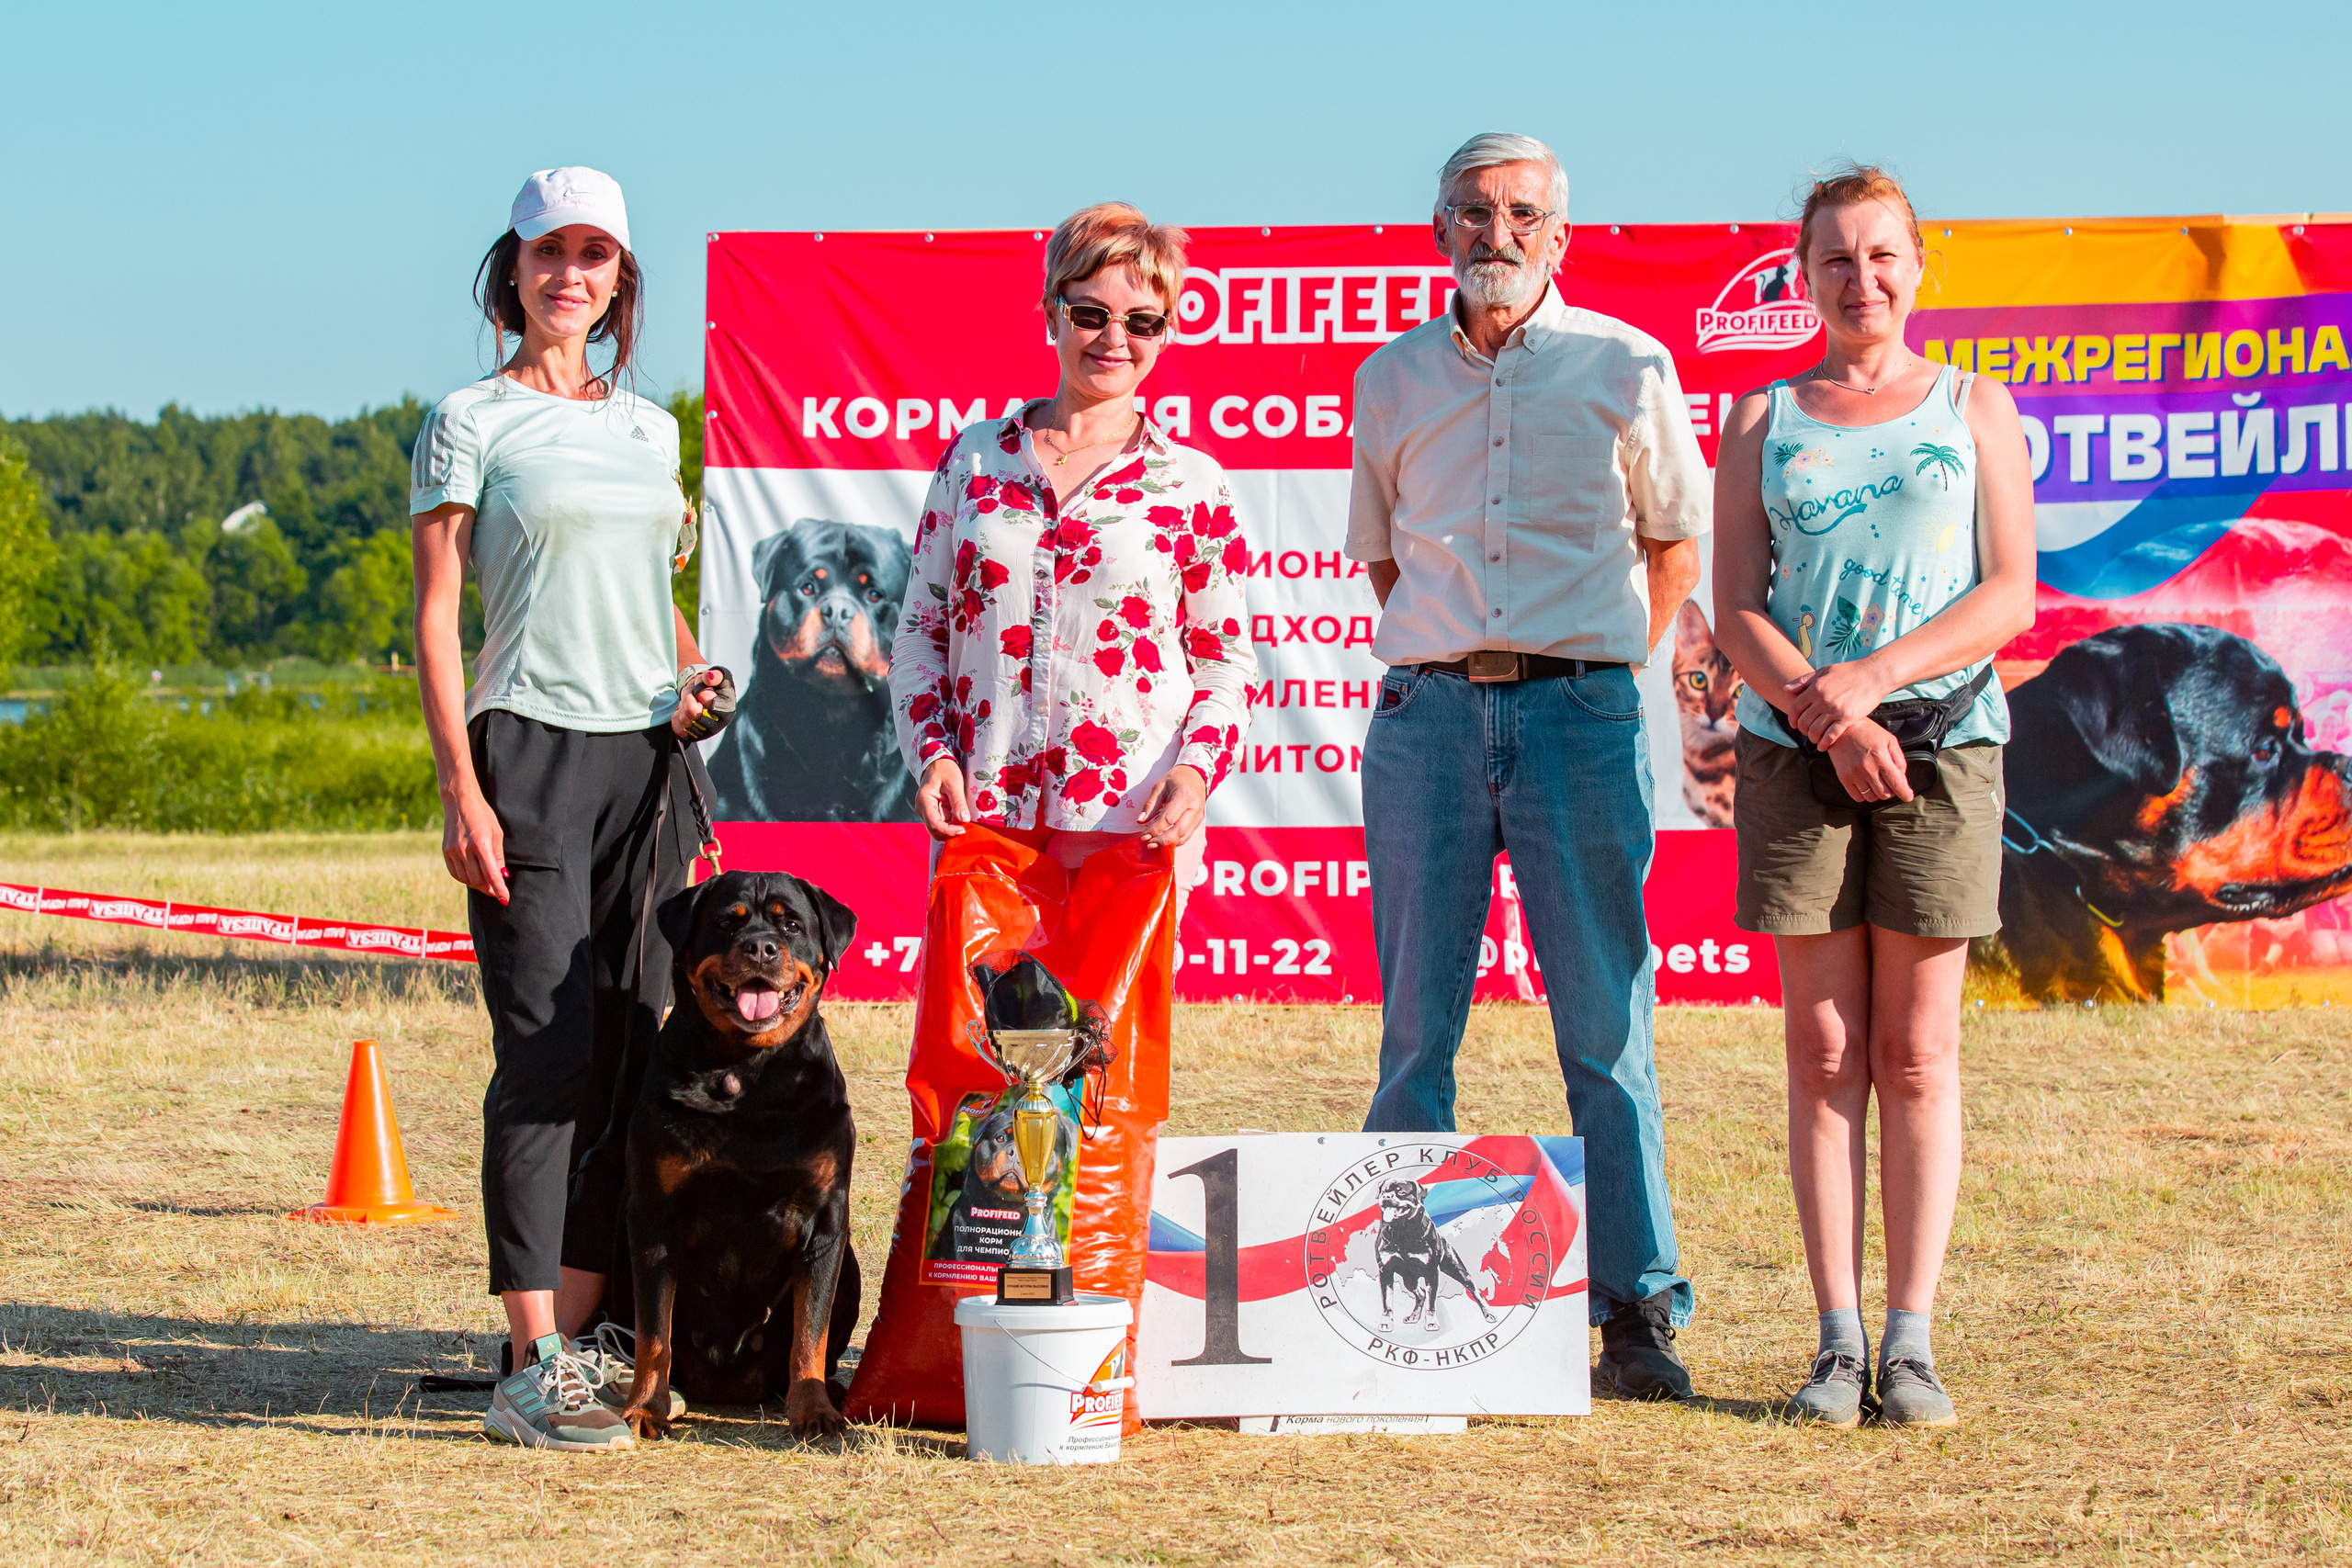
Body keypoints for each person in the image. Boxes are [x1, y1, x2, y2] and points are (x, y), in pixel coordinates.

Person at [1347, 133, 1711, 1400]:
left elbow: (1673, 542)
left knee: (1607, 1027)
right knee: (1412, 1032)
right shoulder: (1388, 379)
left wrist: (1594, 664)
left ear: (1560, 232)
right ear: (1438, 227)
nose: (1495, 230)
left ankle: (1638, 1311)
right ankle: (1403, 1308)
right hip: (1429, 723)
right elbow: (1386, 559)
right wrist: (1466, 658)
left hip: (1579, 721)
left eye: (1521, 212)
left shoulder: (1629, 363)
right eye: (1471, 210)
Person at [1712, 164, 2035, 1428]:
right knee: (1825, 1048)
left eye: (1883, 256)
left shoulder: (1974, 406)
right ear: (1804, 275)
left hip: (1947, 747)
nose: (1863, 281)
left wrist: (1876, 688)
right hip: (1799, 753)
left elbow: (2009, 590)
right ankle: (1835, 1344)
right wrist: (1826, 716)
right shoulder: (1758, 419)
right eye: (1836, 259)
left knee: (1915, 1048)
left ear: (1917, 267)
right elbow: (1736, 605)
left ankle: (1913, 1343)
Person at [412, 166, 727, 1452]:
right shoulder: (467, 417)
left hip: (647, 761)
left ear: (621, 281)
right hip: (527, 754)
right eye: (550, 254)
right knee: (542, 1059)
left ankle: (587, 1337)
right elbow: (437, 614)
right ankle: (528, 1360)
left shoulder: (653, 431)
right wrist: (459, 784)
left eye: (595, 257)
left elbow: (655, 599)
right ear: (514, 270)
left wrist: (693, 676)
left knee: (631, 1050)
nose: (571, 276)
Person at [889, 202, 1254, 900]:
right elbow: (918, 637)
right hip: (984, 819)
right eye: (1091, 313)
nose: (1115, 338)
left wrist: (1198, 769)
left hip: (1130, 824)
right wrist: (932, 757)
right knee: (983, 1016)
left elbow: (1224, 661)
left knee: (1109, 1017)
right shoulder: (973, 460)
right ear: (1052, 313)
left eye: (1143, 321)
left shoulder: (1192, 483)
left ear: (1166, 335)